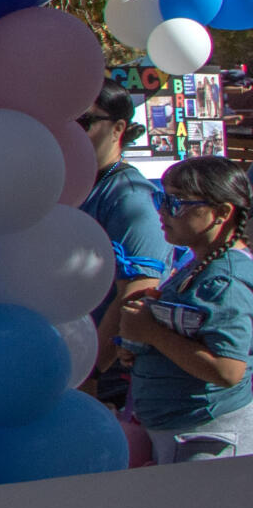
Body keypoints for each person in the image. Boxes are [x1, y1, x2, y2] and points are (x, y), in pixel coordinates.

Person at [112, 152, 253, 460]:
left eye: (177, 203)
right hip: (182, 433)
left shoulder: (226, 280)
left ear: (221, 212)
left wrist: (151, 333)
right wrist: (141, 344)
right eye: (161, 199)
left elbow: (227, 370)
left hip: (209, 438)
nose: (163, 212)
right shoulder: (199, 265)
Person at [77, 84, 170, 402]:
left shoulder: (128, 195)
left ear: (118, 128)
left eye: (82, 122)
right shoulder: (70, 183)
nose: (69, 132)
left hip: (104, 377)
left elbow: (138, 291)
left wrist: (90, 373)